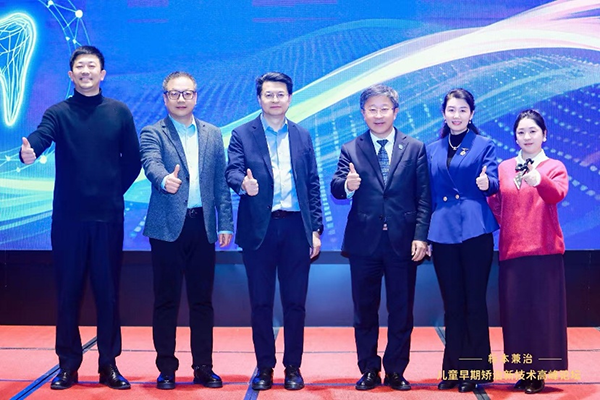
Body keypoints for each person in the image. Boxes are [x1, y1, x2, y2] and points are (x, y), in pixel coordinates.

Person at [19, 45, 140, 390]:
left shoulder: (119, 112)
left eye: (92, 66)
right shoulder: (58, 113)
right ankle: (68, 365)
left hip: (107, 219)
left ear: (103, 74)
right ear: (71, 75)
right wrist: (29, 152)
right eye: (80, 67)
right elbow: (41, 137)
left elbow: (132, 160)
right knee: (68, 293)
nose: (86, 71)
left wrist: (111, 192)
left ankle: (108, 365)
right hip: (68, 220)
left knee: (108, 294)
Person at [225, 72, 323, 391]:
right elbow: (232, 170)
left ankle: (293, 367)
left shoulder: (302, 135)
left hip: (296, 228)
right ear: (259, 99)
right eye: (269, 94)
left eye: (281, 94)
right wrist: (243, 184)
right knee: (261, 303)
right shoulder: (243, 133)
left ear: (290, 98)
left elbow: (312, 184)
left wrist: (316, 229)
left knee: (295, 303)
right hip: (259, 230)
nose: (275, 99)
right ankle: (265, 368)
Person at [330, 84, 431, 391]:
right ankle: (369, 369)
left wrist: (421, 236)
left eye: (384, 109)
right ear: (363, 113)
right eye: (371, 109)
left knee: (401, 310)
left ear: (395, 112)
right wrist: (347, 185)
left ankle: (396, 370)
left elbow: (424, 197)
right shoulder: (351, 148)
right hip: (364, 243)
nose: (378, 115)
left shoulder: (414, 147)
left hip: (403, 242)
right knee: (364, 310)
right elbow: (336, 187)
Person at [140, 71, 233, 390]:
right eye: (174, 93)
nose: (181, 99)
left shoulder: (212, 133)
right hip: (166, 228)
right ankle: (166, 368)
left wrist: (225, 222)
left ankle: (203, 367)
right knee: (166, 300)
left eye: (187, 93)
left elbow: (220, 182)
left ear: (196, 96)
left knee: (202, 301)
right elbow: (151, 162)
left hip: (202, 226)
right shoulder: (153, 132)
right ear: (164, 97)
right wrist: (163, 179)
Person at [488, 109, 568, 394]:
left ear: (544, 135)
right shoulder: (504, 167)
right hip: (512, 250)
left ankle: (538, 372)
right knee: (515, 314)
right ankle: (523, 369)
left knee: (541, 314)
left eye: (533, 131)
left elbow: (556, 194)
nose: (527, 137)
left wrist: (538, 179)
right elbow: (496, 203)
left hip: (544, 251)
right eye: (521, 132)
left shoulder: (554, 166)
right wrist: (512, 223)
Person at [426, 88, 499, 393]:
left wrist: (487, 182)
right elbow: (427, 194)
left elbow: (494, 180)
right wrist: (423, 235)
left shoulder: (484, 145)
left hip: (474, 229)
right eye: (451, 110)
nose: (456, 115)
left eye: (462, 110)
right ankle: (453, 369)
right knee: (452, 303)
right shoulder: (432, 149)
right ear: (444, 114)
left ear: (472, 114)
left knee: (474, 302)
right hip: (442, 231)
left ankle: (475, 369)